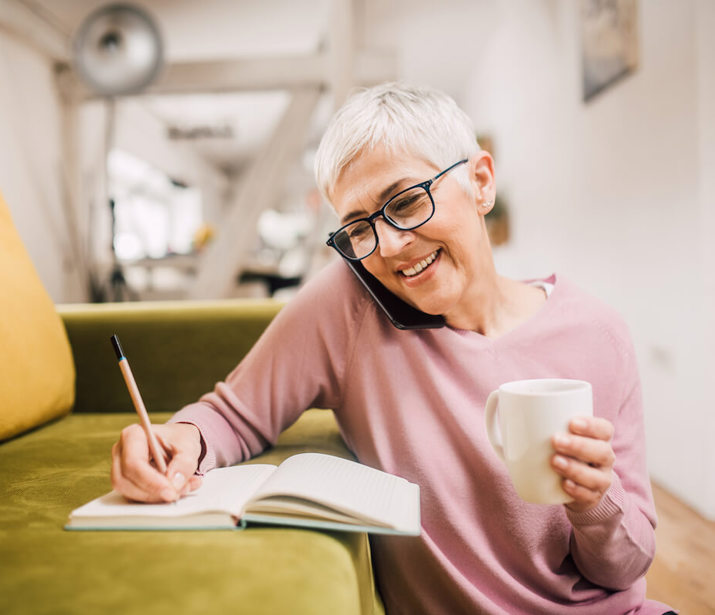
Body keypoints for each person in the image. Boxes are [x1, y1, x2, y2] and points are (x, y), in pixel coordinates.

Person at [111, 83, 674, 615]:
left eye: (405, 202)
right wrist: (176, 440)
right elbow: (234, 414)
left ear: (480, 182)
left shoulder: (598, 334)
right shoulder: (351, 305)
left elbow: (625, 568)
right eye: (358, 227)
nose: (389, 246)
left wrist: (594, 505)